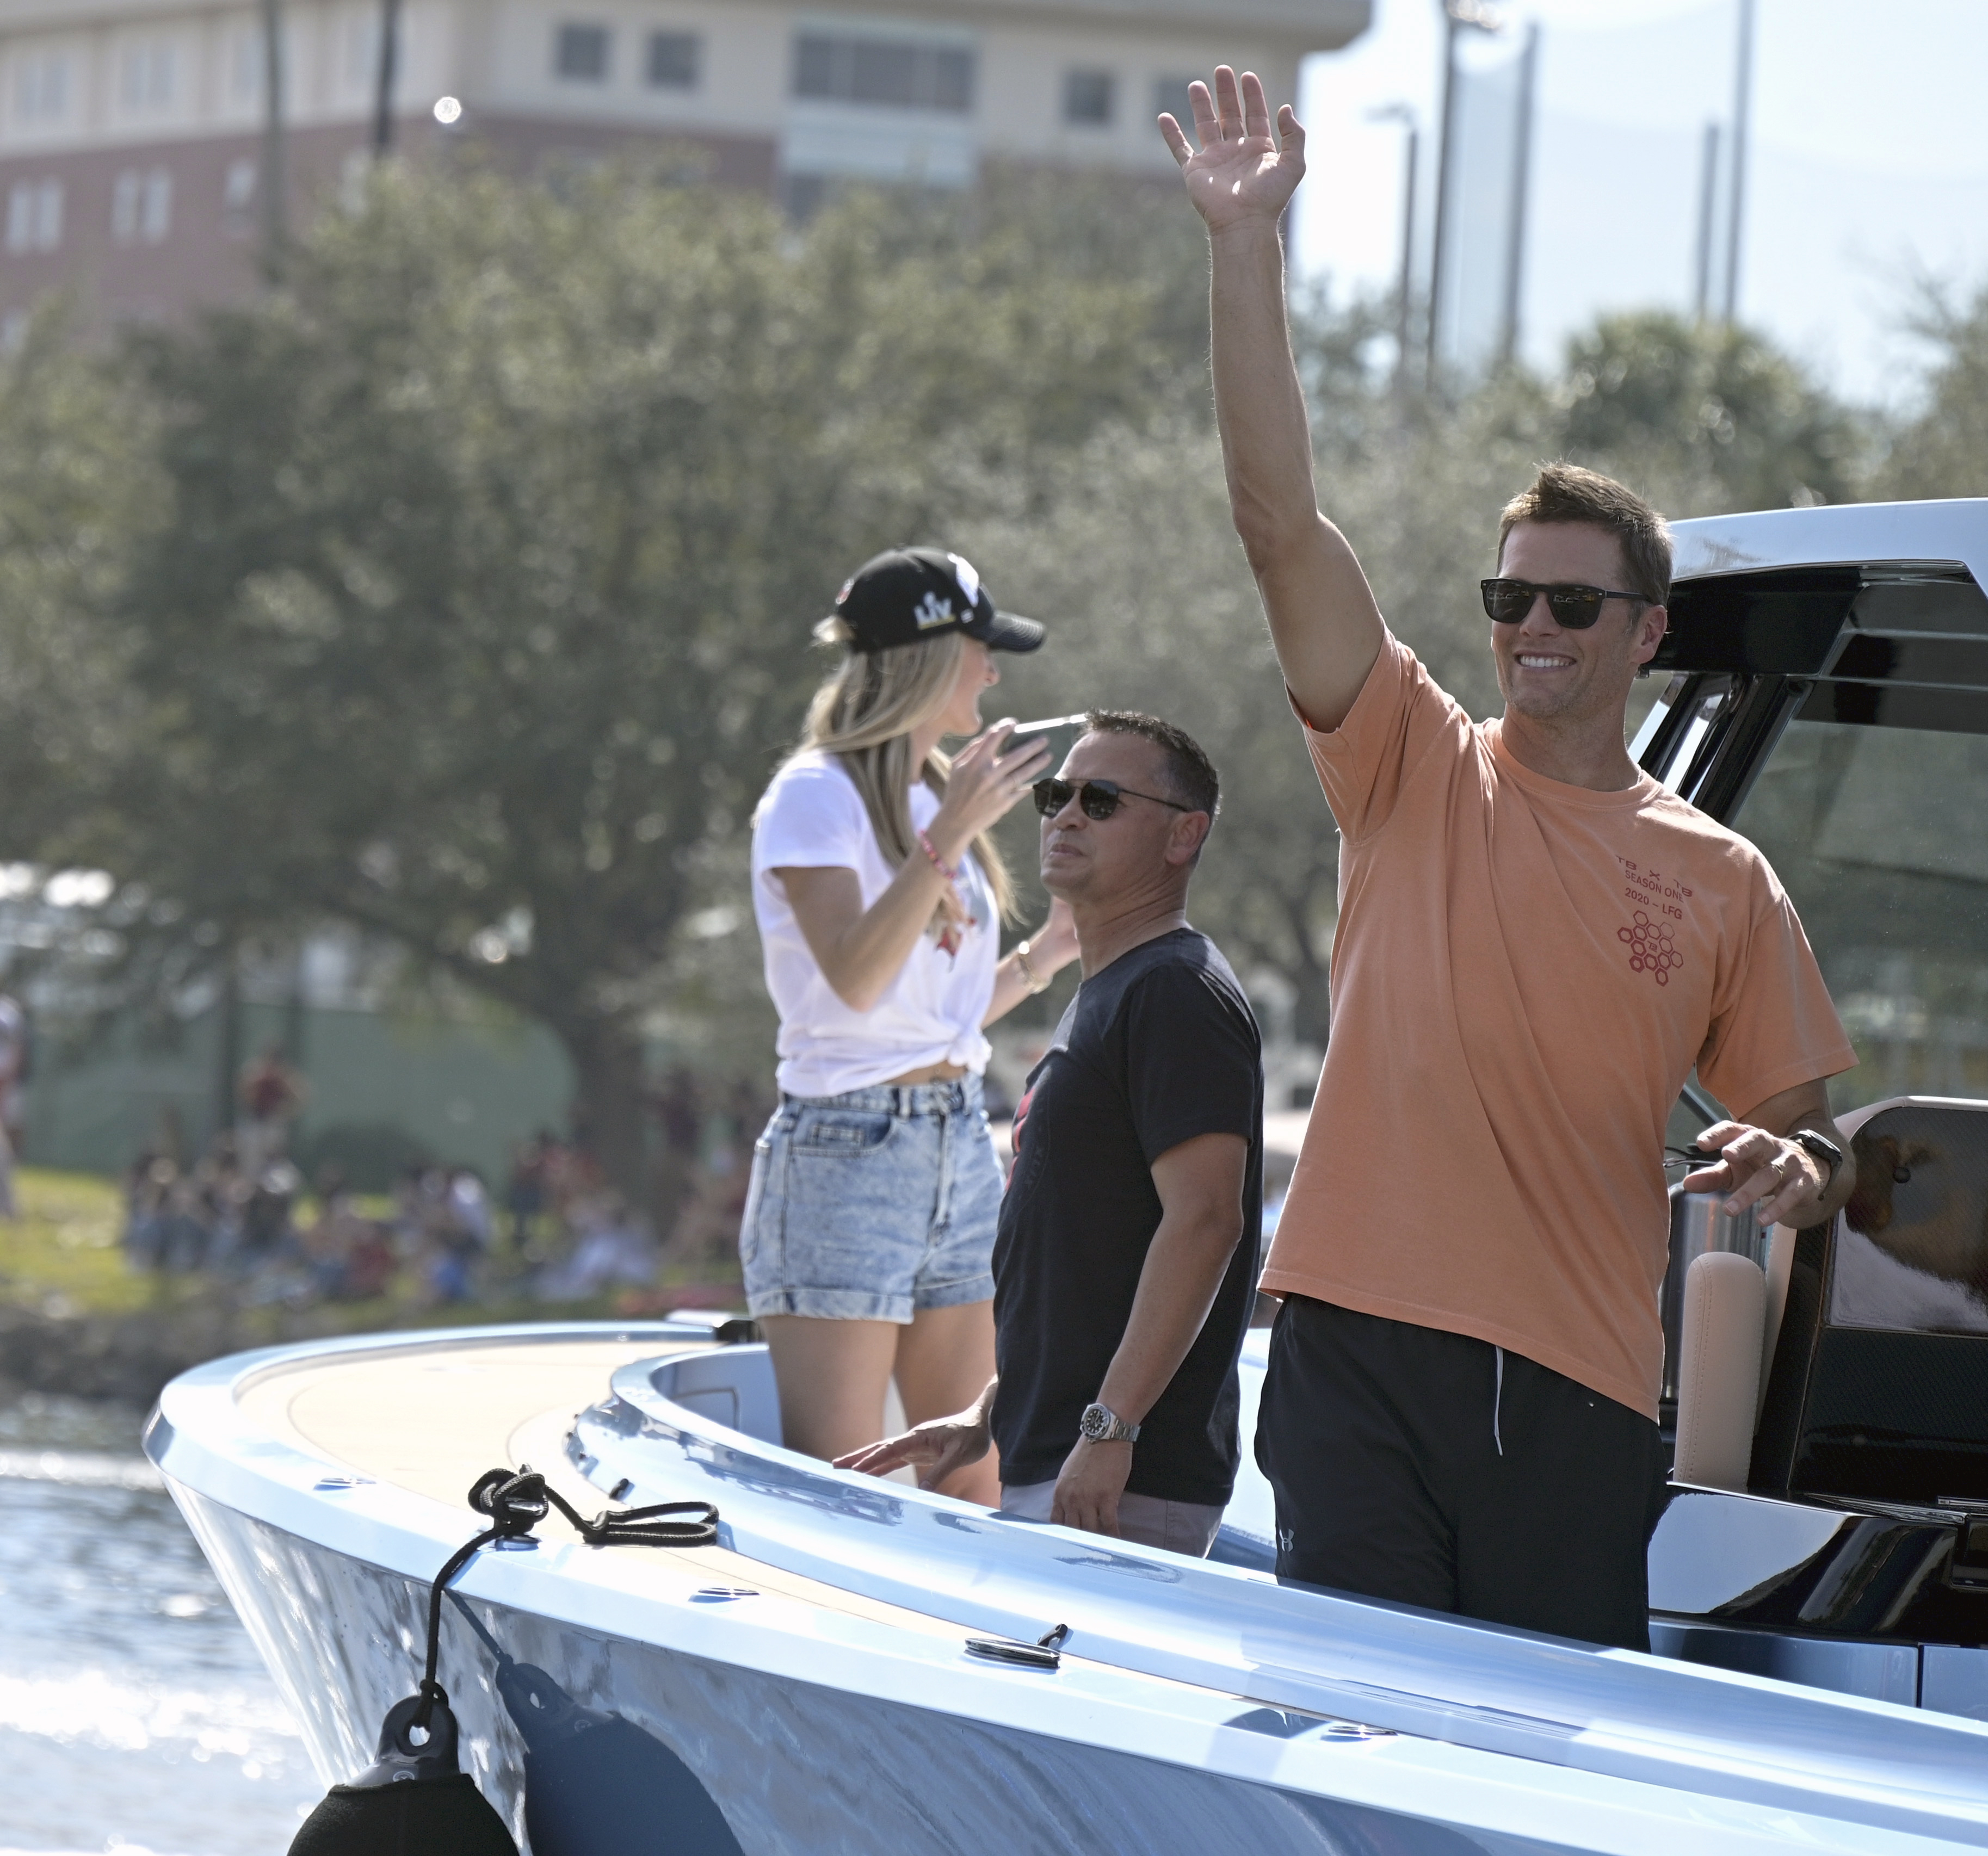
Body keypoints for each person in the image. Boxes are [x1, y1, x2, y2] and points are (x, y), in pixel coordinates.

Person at [1162, 69, 1857, 1645]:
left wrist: (1781, 1170)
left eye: (1566, 604)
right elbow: (1276, 523)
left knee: (1531, 1773)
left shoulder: (1719, 876)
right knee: (1360, 1742)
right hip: (1353, 1352)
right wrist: (1240, 247)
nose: (1527, 630)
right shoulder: (1403, 754)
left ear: (1643, 633)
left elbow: (1808, 1149)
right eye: (1506, 599)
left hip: (1576, 1395)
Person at [838, 714, 1263, 1555]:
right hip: (1071, 1459)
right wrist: (990, 1414)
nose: (1065, 816)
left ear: (1185, 835)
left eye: (1100, 799)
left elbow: (1205, 1223)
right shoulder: (1109, 991)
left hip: (1121, 1479)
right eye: (1053, 795)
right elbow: (1090, 1259)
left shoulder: (1175, 994)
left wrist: (1111, 1431)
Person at [740, 546, 1071, 1506]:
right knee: (843, 1491)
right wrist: (948, 839)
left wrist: (1047, 955)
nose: (995, 673)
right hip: (843, 1152)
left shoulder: (932, 799)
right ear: (930, 656)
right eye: (981, 650)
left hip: (954, 1141)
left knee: (973, 1481)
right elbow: (851, 981)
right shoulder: (814, 796)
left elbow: (933, 1022)